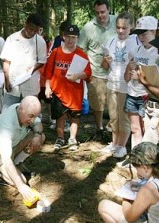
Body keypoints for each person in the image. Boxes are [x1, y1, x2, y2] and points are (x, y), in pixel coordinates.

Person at [0, 96, 45, 201]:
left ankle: (17, 162)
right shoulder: (6, 125)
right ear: (21, 109)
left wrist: (37, 135)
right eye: (31, 116)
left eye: (35, 116)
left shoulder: (22, 110)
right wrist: (21, 186)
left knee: (41, 137)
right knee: (21, 181)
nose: (32, 120)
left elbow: (38, 123)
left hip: (12, 145)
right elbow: (6, 159)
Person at [98, 142, 159, 223]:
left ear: (145, 167)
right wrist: (140, 188)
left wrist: (126, 197)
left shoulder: (149, 190)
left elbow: (130, 218)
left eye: (136, 168)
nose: (136, 172)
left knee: (103, 205)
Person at [44, 25, 92, 151]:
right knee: (60, 116)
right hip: (58, 91)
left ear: (77, 38)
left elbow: (88, 73)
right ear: (63, 37)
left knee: (74, 116)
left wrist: (78, 75)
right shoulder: (56, 52)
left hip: (74, 92)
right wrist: (47, 87)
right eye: (68, 37)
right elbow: (48, 72)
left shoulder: (81, 54)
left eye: (73, 37)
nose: (70, 40)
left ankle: (72, 138)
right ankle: (60, 138)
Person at [100, 12, 140, 158]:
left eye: (124, 28)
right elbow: (104, 65)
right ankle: (114, 143)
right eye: (118, 27)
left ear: (131, 27)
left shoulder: (136, 41)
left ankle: (122, 146)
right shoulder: (110, 41)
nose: (121, 31)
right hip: (112, 83)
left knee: (124, 117)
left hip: (127, 85)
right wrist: (106, 59)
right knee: (113, 116)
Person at [78, 0, 117, 141]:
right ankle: (100, 128)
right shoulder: (88, 28)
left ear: (109, 10)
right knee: (97, 104)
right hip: (96, 72)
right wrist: (86, 71)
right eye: (97, 12)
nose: (100, 15)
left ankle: (112, 130)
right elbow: (81, 50)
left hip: (116, 72)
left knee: (115, 104)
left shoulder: (117, 22)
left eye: (103, 12)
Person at [124, 16, 158, 149]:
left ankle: (146, 163)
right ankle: (135, 158)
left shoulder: (157, 53)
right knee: (135, 129)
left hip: (148, 98)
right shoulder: (135, 50)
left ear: (154, 31)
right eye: (138, 34)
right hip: (132, 94)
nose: (141, 37)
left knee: (149, 132)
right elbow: (126, 78)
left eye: (144, 34)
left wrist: (141, 79)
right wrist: (129, 68)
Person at [0, 13, 47, 110]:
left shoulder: (40, 42)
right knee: (9, 111)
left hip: (31, 85)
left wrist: (32, 68)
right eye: (30, 29)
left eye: (35, 31)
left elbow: (42, 61)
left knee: (29, 113)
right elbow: (6, 61)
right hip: (13, 82)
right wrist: (7, 79)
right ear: (25, 24)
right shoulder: (12, 39)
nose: (31, 32)